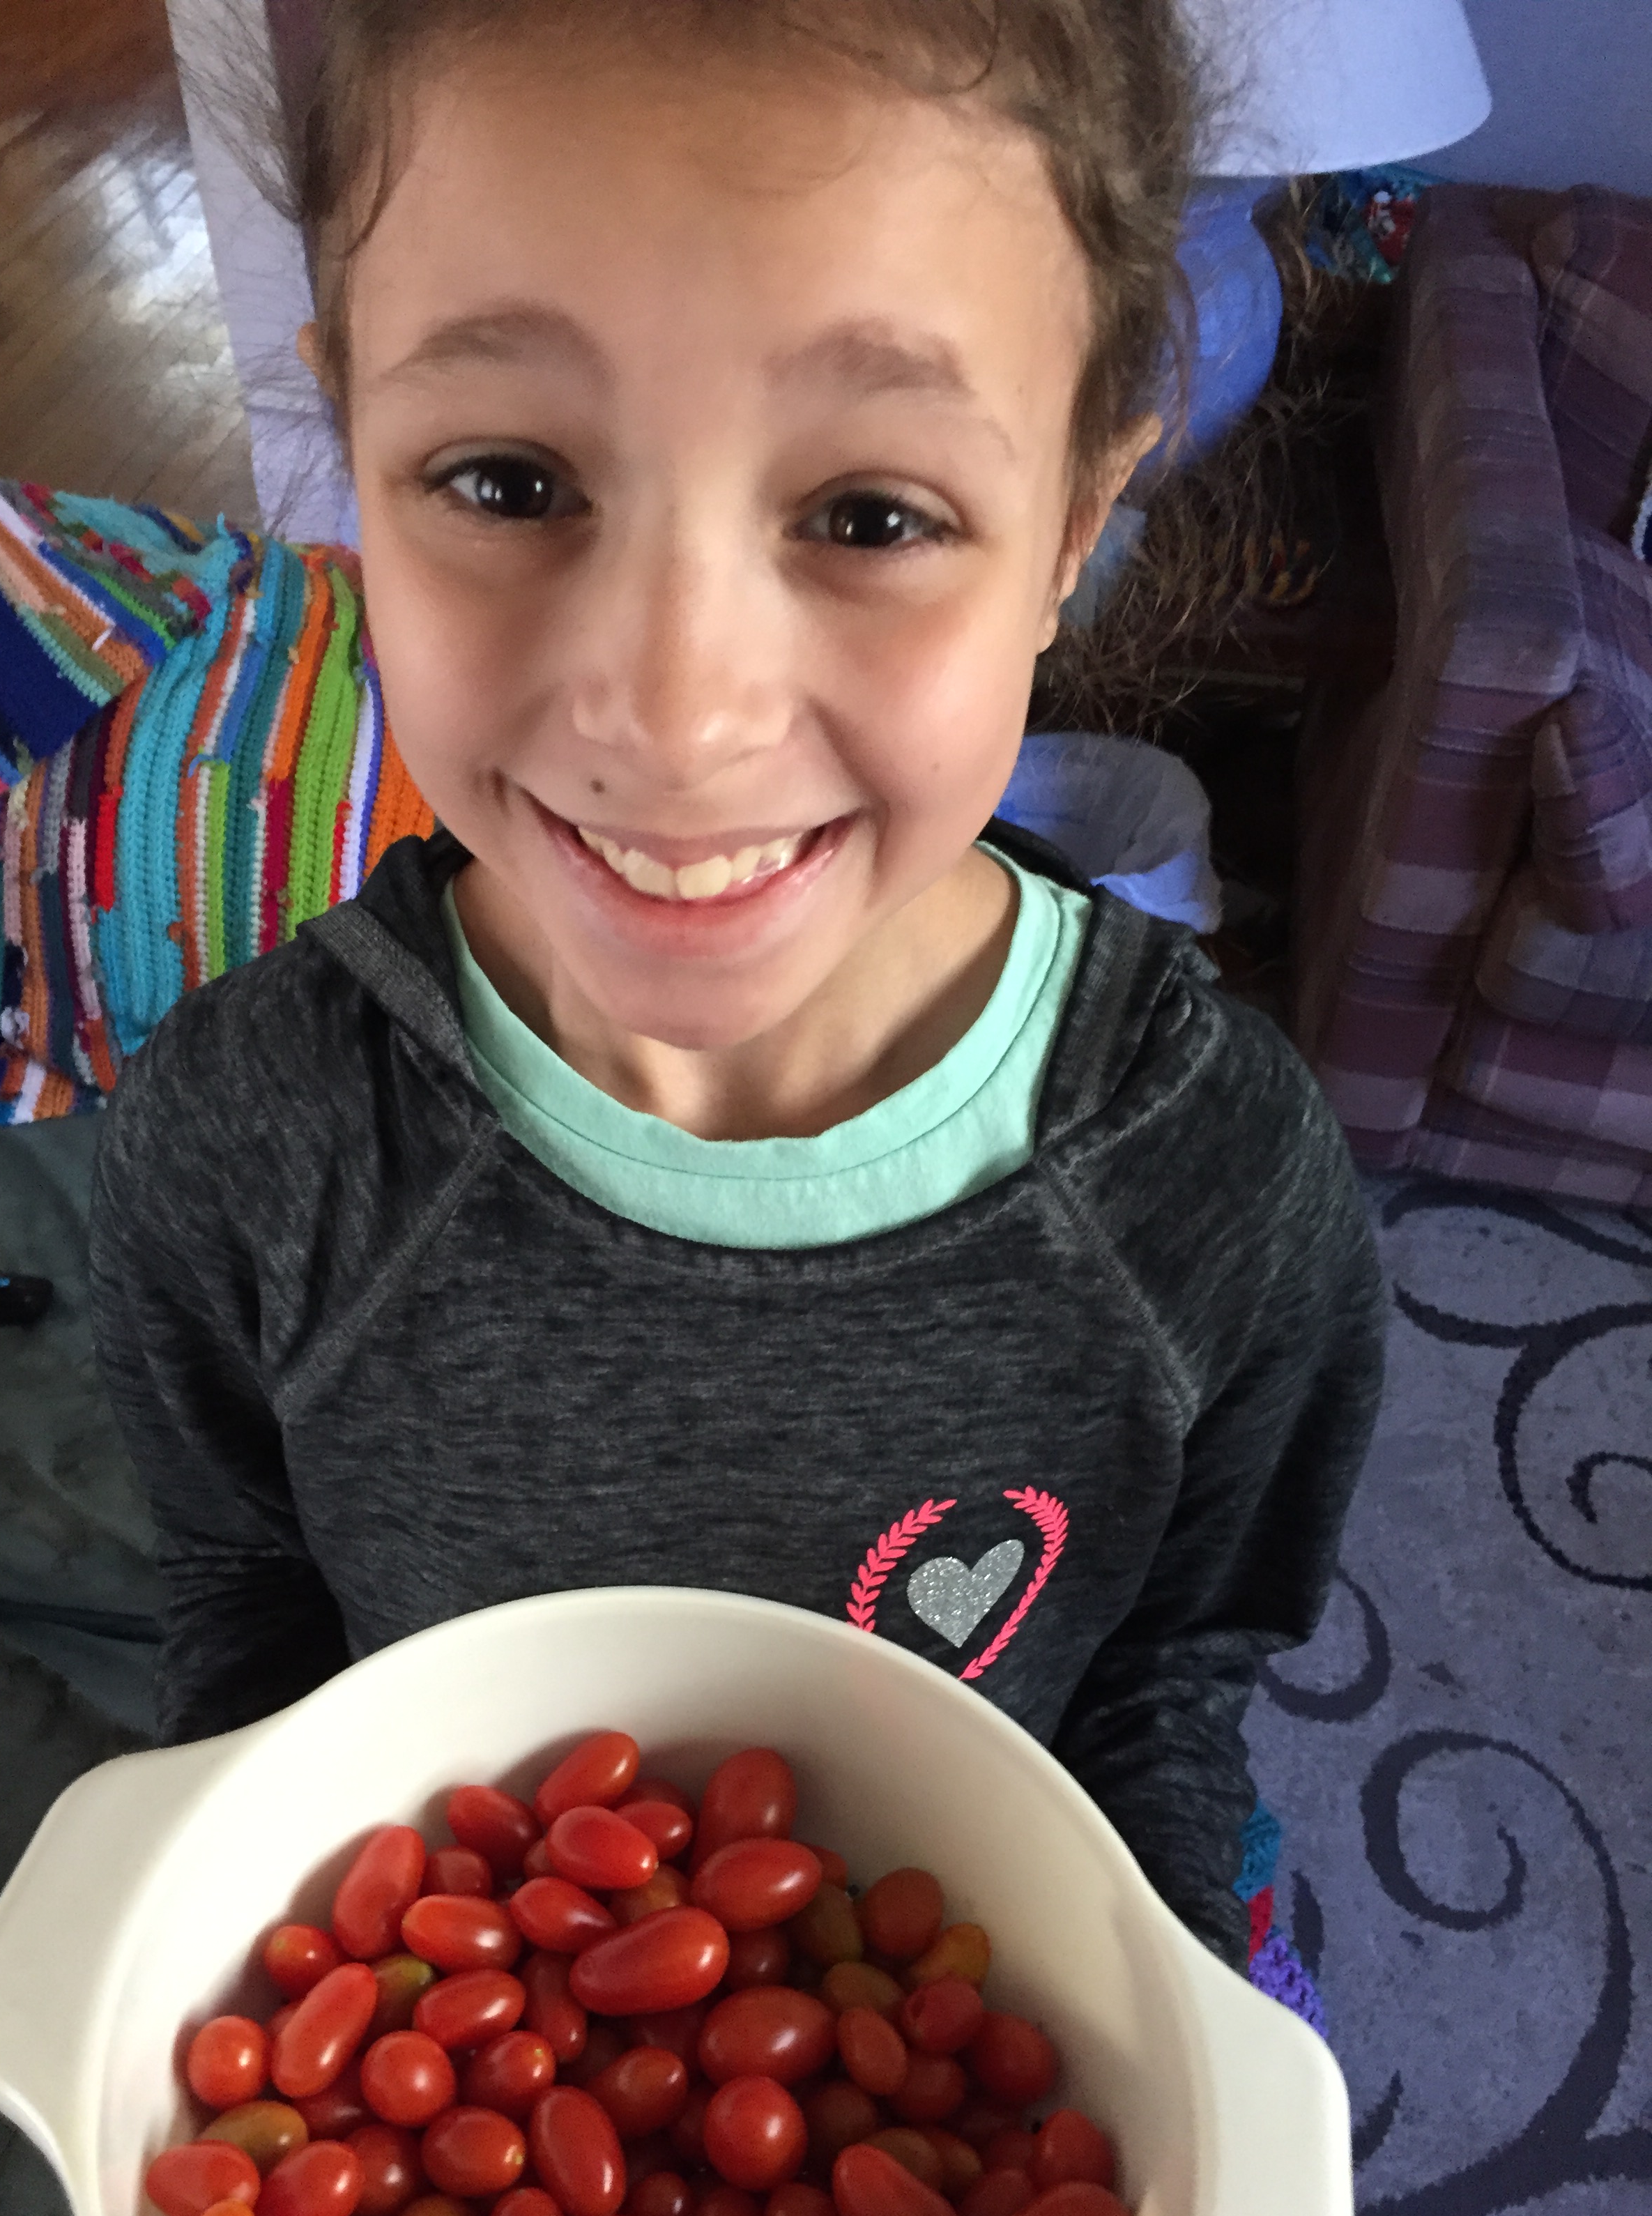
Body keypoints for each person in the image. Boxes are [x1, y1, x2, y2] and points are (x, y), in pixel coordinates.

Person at [77, 0, 1382, 1972]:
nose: (677, 716)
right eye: (508, 480)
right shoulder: (243, 1146)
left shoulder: (1220, 1191)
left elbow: (1173, 1673)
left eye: (872, 517)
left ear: (1071, 527)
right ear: (350, 434)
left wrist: (1167, 2044)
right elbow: (250, 1622)